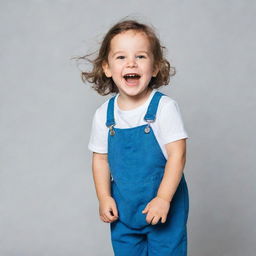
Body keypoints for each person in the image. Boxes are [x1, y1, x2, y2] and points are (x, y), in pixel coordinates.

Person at [79, 18, 190, 256]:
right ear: (107, 68)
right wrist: (104, 196)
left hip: (163, 206)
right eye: (121, 57)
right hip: (124, 209)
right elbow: (100, 159)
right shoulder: (103, 115)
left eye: (140, 56)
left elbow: (177, 155)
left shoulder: (164, 108)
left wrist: (163, 198)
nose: (131, 63)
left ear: (156, 66)